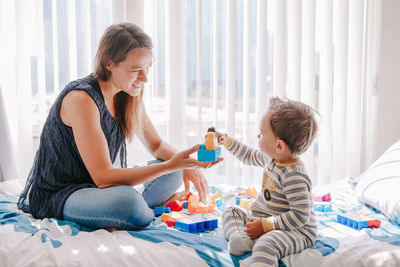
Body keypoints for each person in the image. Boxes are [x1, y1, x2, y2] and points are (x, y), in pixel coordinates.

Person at [17, 23, 221, 231]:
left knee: (173, 172)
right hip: (63, 193)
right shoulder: (81, 99)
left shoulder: (128, 94)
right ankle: (145, 209)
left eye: (148, 68)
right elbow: (103, 177)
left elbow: (157, 145)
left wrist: (186, 165)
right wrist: (171, 164)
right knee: (129, 203)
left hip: (98, 189)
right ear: (108, 63)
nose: (145, 78)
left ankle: (133, 210)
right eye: (136, 70)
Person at [220, 97, 318, 267]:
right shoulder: (271, 158)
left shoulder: (294, 176)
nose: (258, 135)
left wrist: (266, 226)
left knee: (267, 244)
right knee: (231, 212)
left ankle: (257, 242)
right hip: (265, 218)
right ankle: (242, 238)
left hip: (296, 230)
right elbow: (249, 156)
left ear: (279, 146)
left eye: (262, 132)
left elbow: (300, 216)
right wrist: (228, 142)